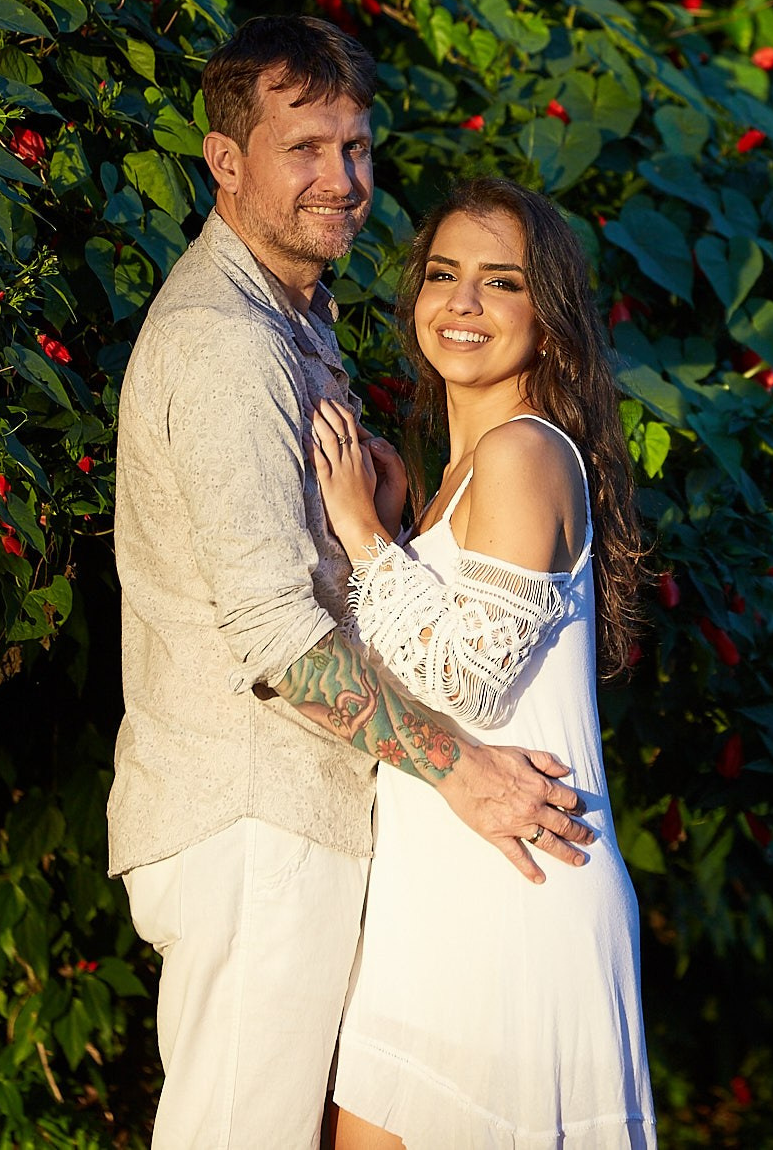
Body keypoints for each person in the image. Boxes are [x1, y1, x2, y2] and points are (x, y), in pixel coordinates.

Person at [107, 17, 596, 1149]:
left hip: (300, 812)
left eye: (356, 148)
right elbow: (276, 635)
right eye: (304, 150)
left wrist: (383, 529)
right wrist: (460, 768)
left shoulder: (295, 321)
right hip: (253, 813)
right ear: (225, 162)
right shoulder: (226, 343)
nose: (341, 179)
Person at [308, 176, 655, 1149]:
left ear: (546, 319)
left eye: (499, 282)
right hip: (441, 892)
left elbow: (466, 682)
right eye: (443, 275)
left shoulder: (524, 456)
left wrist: (357, 529)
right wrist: (391, 528)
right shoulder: (458, 477)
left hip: (516, 894)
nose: (461, 302)